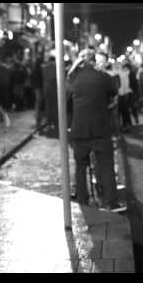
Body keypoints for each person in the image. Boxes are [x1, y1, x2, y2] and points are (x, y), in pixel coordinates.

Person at [67, 49, 126, 213]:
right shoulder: (104, 77)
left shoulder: (73, 78)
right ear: (94, 61)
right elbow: (112, 95)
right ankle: (111, 202)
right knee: (106, 165)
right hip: (101, 128)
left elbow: (66, 101)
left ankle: (82, 199)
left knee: (80, 166)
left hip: (79, 128)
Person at [41, 54, 58, 137]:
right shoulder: (56, 68)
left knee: (48, 107)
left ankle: (49, 123)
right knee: (54, 107)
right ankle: (54, 124)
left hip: (46, 89)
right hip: (53, 90)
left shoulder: (44, 68)